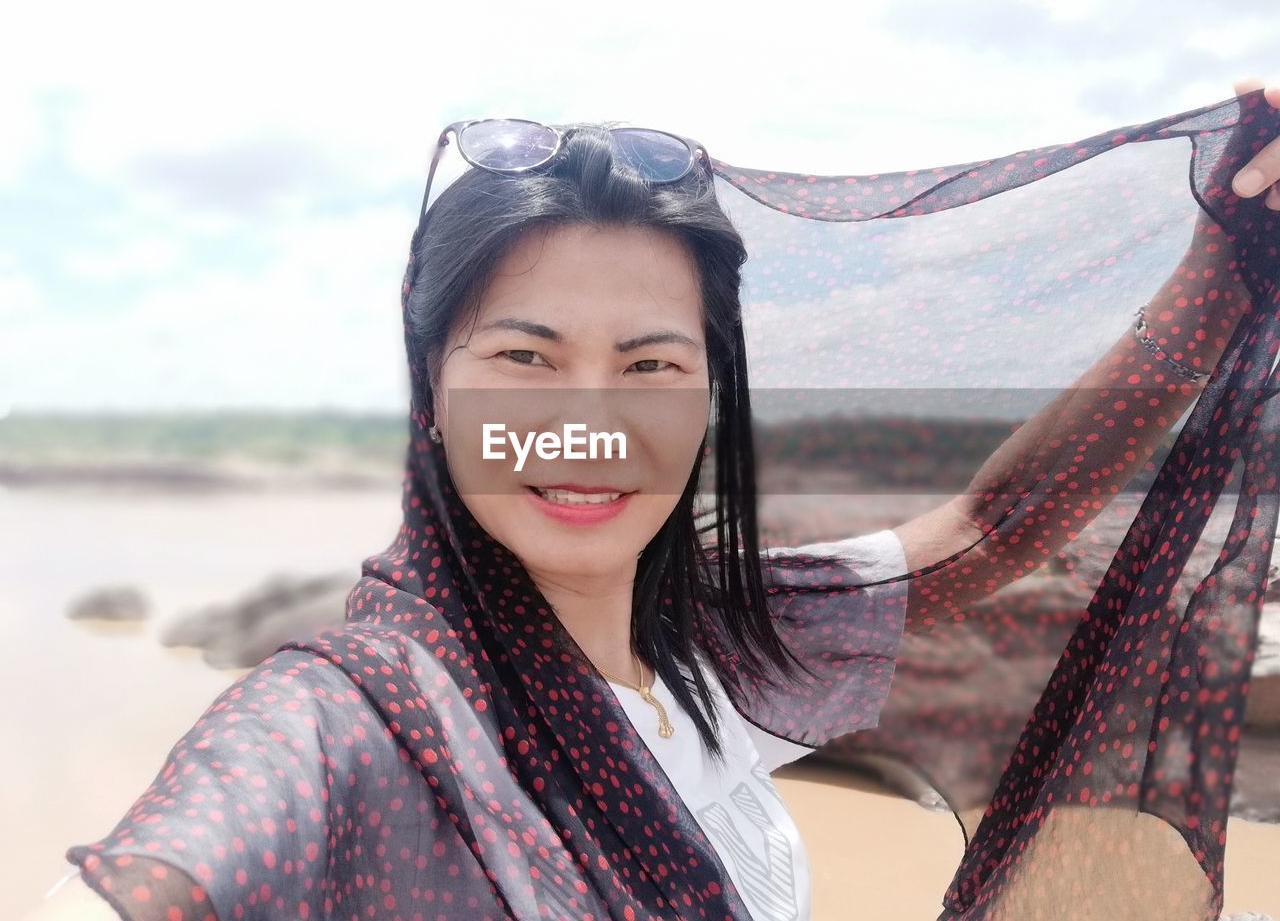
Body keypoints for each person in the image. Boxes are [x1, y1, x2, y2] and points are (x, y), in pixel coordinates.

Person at [27, 79, 1280, 921]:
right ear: (430, 394)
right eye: (524, 359)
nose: (590, 423)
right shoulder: (349, 719)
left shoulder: (719, 647)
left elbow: (996, 528)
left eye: (650, 368)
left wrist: (1219, 263)